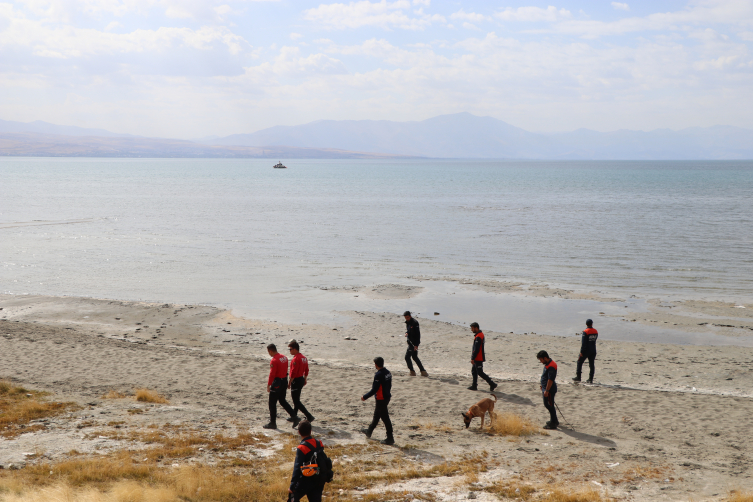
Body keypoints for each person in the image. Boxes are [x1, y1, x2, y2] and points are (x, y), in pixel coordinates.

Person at [360, 356, 394, 445]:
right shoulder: (388, 373)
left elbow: (374, 389)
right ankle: (369, 431)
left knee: (385, 418)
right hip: (387, 397)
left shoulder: (378, 375)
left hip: (381, 399)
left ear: (376, 365)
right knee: (376, 415)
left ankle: (390, 438)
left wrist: (365, 396)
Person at [264, 343, 299, 429]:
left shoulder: (274, 360)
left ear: (271, 351)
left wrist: (268, 385)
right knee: (282, 400)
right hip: (284, 380)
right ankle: (294, 416)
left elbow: (272, 374)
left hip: (277, 382)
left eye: (269, 352)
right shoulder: (284, 357)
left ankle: (273, 423)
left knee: (272, 403)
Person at [288, 420, 325, 502]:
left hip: (306, 479)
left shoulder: (301, 448)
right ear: (310, 431)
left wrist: (292, 486)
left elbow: (297, 468)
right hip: (319, 477)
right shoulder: (319, 443)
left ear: (299, 432)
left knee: (292, 499)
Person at [287, 340, 315, 426]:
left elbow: (293, 372)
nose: (289, 351)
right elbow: (306, 370)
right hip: (301, 379)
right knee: (297, 399)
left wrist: (289, 382)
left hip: (296, 380)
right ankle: (294, 417)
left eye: (290, 349)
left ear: (295, 349)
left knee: (296, 401)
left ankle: (309, 416)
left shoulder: (296, 359)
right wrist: (305, 379)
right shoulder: (304, 358)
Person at [468, 322, 497, 392]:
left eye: (472, 328)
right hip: (477, 357)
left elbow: (476, 349)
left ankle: (492, 384)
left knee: (480, 372)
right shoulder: (479, 335)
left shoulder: (479, 336)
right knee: (474, 371)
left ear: (476, 328)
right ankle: (474, 385)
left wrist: (473, 358)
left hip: (478, 357)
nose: (471, 330)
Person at [537, 350, 559, 430]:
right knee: (549, 405)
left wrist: (546, 390)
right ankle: (554, 420)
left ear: (545, 358)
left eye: (541, 360)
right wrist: (542, 386)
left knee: (549, 405)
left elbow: (550, 380)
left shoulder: (551, 366)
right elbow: (545, 377)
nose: (541, 361)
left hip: (550, 389)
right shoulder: (548, 364)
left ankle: (553, 423)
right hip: (546, 388)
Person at [403, 311, 428, 377]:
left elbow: (418, 334)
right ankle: (423, 372)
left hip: (413, 343)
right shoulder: (408, 322)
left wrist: (416, 345)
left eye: (407, 317)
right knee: (414, 357)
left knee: (407, 357)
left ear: (410, 316)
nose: (407, 319)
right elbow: (409, 330)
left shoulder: (415, 322)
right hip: (410, 342)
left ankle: (412, 372)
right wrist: (407, 333)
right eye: (405, 317)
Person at [573, 319, 598, 383]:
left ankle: (578, 377)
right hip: (593, 349)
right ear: (592, 324)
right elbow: (595, 339)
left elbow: (584, 343)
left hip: (586, 350)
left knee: (579, 362)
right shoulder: (596, 331)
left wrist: (581, 352)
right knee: (591, 364)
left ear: (586, 324)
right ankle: (590, 378)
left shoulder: (585, 331)